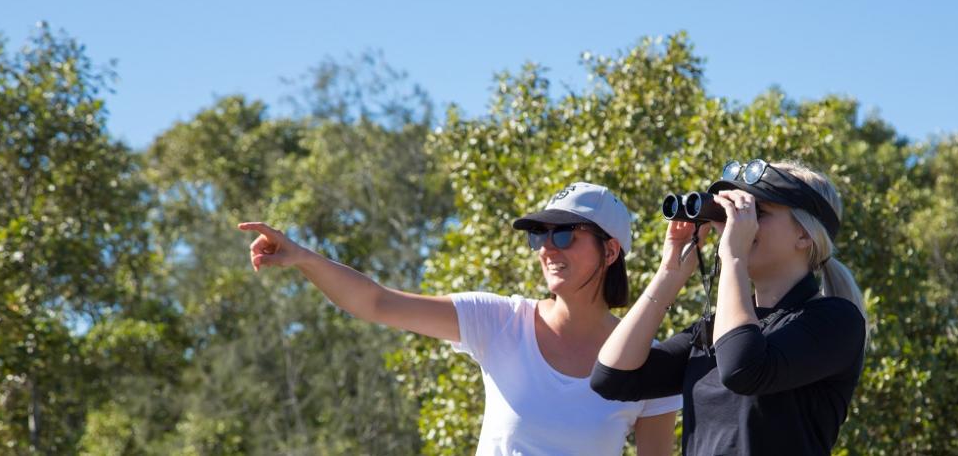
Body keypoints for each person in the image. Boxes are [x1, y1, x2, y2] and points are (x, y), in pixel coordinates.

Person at [239, 182, 680, 456]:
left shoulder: (647, 363)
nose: (548, 248)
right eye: (540, 236)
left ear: (610, 251)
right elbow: (376, 303)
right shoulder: (499, 320)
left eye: (565, 234)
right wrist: (300, 257)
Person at [591, 159, 868, 455]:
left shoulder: (836, 320)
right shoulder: (715, 329)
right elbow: (612, 378)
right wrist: (670, 273)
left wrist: (734, 256)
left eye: (756, 212)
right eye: (732, 213)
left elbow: (742, 369)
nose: (737, 224)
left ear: (804, 235)